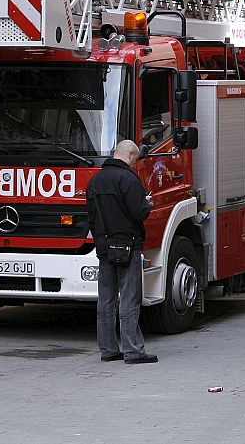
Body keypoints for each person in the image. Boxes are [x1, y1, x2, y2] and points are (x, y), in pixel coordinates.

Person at [86, 139, 157, 364]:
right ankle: (133, 351)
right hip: (127, 246)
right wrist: (147, 204)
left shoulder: (95, 180)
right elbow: (139, 213)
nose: (135, 164)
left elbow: (91, 215)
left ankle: (108, 350)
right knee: (129, 299)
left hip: (104, 247)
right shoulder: (128, 179)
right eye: (135, 159)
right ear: (128, 155)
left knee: (106, 300)